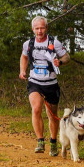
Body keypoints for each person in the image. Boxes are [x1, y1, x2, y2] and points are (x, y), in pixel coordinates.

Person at [19, 15, 69, 156]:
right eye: (37, 28)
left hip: (51, 83)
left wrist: (60, 61)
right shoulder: (28, 44)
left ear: (46, 28)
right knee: (36, 109)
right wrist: (22, 70)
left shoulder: (55, 42)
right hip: (35, 81)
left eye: (42, 28)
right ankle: (40, 141)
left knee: (52, 115)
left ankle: (53, 143)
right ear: (32, 29)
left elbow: (67, 57)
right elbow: (24, 56)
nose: (39, 31)